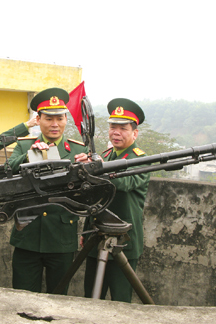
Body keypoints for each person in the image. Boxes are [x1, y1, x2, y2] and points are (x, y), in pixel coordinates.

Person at [7, 87, 90, 294]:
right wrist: (28, 157)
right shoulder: (25, 145)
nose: (55, 124)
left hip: (61, 237)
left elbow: (88, 192)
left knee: (58, 297)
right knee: (22, 296)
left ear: (65, 120)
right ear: (39, 119)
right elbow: (7, 173)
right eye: (48, 119)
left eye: (60, 118)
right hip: (27, 234)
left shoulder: (79, 150)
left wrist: (88, 169)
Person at [82, 98, 150, 303]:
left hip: (124, 242)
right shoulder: (106, 155)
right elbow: (95, 200)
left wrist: (100, 169)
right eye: (113, 127)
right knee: (92, 297)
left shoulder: (140, 159)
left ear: (135, 133)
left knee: (121, 300)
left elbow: (125, 183)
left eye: (123, 128)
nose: (116, 133)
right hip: (97, 237)